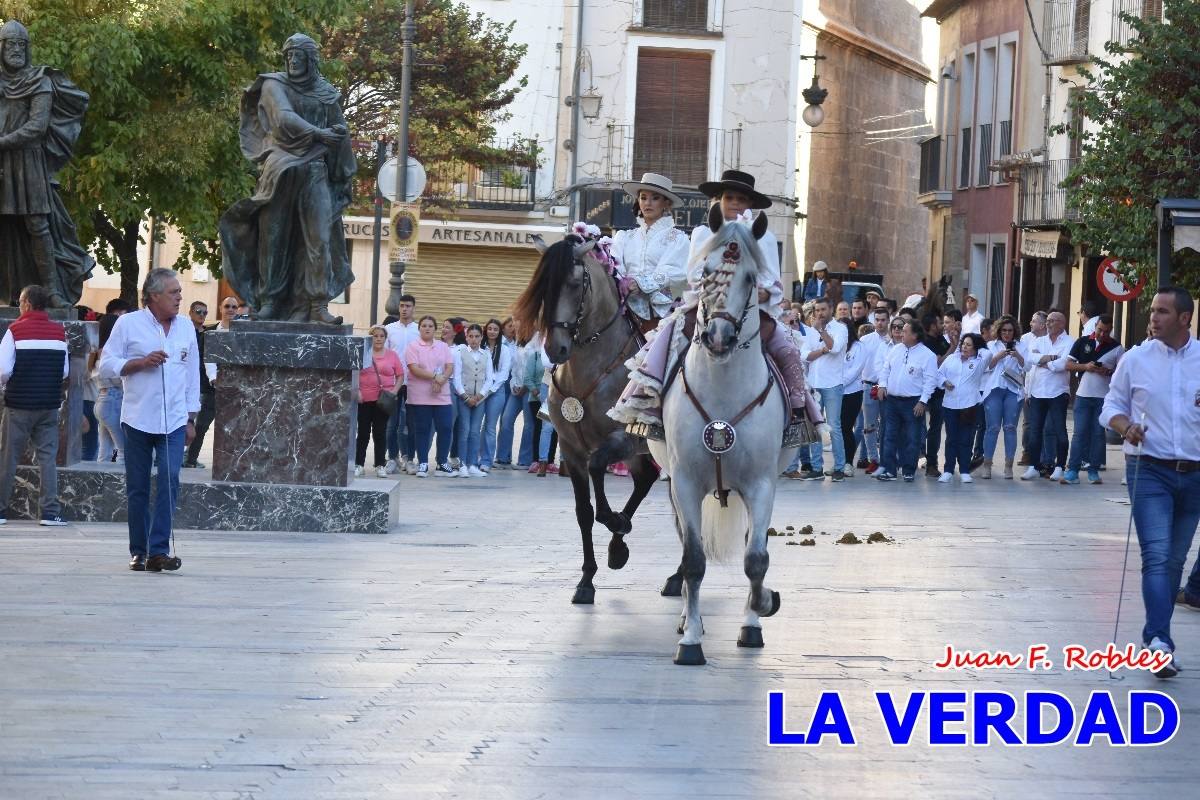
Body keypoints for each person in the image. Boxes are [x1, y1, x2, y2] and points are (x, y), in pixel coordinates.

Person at [218, 33, 355, 324]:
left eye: (299, 55)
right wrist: (321, 134)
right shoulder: (273, 84)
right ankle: (270, 301)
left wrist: (341, 136)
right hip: (280, 168)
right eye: (289, 55)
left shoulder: (326, 91)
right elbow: (283, 118)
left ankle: (317, 304)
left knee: (319, 238)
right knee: (274, 238)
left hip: (315, 170)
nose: (293, 60)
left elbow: (338, 125)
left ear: (311, 60)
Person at [1099, 286, 1200, 679]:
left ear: (1184, 318)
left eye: (1162, 312)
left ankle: (1155, 636)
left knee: (1174, 559)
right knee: (1156, 555)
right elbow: (1111, 407)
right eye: (1152, 310)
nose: (1153, 318)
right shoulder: (1135, 359)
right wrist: (1126, 427)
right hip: (1149, 470)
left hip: (1194, 474)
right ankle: (1159, 642)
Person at [99, 268, 200, 572]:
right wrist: (140, 363)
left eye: (179, 292)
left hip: (174, 421)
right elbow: (105, 365)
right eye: (173, 292)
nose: (180, 297)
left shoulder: (185, 327)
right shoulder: (128, 324)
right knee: (138, 487)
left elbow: (192, 374)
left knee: (170, 480)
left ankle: (159, 551)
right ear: (154, 296)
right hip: (137, 419)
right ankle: (138, 551)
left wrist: (191, 416)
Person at [0, 21, 94, 308]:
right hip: (2, 163)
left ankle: (52, 291)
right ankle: (8, 292)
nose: (15, 50)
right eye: (9, 44)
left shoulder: (40, 80)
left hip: (29, 162)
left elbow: (37, 127)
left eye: (20, 45)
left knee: (38, 226)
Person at [0, 284, 69, 525]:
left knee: (8, 457)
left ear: (27, 303)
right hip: (48, 405)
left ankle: (0, 510)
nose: (19, 307)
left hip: (18, 404)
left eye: (20, 302)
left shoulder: (15, 330)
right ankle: (50, 512)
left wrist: (4, 386)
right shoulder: (59, 332)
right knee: (47, 459)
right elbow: (64, 371)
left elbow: (3, 369)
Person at [609, 173, 689, 332]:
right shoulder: (624, 237)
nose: (648, 203)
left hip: (660, 314)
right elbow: (614, 265)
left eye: (655, 198)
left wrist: (640, 283)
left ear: (666, 203)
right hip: (622, 310)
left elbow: (674, 271)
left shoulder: (678, 238)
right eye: (643, 197)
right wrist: (624, 284)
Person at [1062, 314, 1123, 484]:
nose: (1102, 334)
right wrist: (1086, 367)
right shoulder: (1082, 342)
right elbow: (1067, 365)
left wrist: (1108, 372)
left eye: (1106, 331)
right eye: (1100, 330)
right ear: (1095, 326)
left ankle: (1094, 470)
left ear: (1111, 330)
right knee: (1079, 433)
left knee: (1098, 434)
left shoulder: (1117, 347)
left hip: (1104, 398)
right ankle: (1072, 470)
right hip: (1083, 395)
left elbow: (1123, 373)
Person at [875, 319, 938, 482]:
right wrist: (882, 385)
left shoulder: (928, 355)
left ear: (915, 335)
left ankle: (909, 470)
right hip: (892, 401)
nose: (901, 333)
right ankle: (890, 470)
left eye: (905, 331)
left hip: (913, 402)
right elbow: (885, 370)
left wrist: (923, 402)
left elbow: (930, 381)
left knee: (912, 437)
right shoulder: (896, 349)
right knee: (889, 435)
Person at [1022, 310, 1074, 481]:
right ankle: (1033, 466)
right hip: (1037, 391)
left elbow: (1064, 363)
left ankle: (1059, 466)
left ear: (1062, 323)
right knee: (1035, 431)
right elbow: (1030, 359)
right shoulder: (1039, 340)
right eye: (1048, 321)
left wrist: (1045, 363)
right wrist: (1051, 358)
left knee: (1059, 430)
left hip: (1058, 391)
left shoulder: (1069, 341)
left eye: (1052, 321)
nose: (1048, 324)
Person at [802, 297, 848, 481]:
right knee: (815, 428)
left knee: (834, 427)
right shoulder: (810, 331)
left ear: (831, 309)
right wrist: (821, 350)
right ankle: (816, 467)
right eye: (817, 310)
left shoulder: (841, 329)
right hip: (814, 384)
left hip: (833, 384)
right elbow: (805, 355)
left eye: (823, 309)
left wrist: (822, 332)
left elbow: (835, 348)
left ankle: (839, 467)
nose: (820, 313)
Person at [404, 315, 455, 477]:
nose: (427, 328)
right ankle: (423, 463)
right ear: (419, 329)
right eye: (424, 325)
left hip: (441, 393)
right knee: (422, 429)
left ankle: (442, 462)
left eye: (430, 326)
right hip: (420, 395)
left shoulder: (443, 346)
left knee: (446, 427)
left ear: (435, 329)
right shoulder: (413, 346)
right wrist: (434, 377)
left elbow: (449, 366)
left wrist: (441, 380)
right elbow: (414, 368)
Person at [980, 316, 1027, 479]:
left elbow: (1027, 366)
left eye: (1010, 330)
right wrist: (999, 356)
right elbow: (985, 367)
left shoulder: (1021, 345)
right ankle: (987, 465)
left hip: (1013, 390)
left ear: (1015, 331)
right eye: (1004, 330)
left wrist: (1017, 356)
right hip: (994, 389)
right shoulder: (990, 345)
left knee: (1010, 427)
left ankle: (1008, 466)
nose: (1007, 334)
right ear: (999, 331)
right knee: (992, 427)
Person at [937, 333, 987, 483]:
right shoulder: (951, 359)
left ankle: (964, 469)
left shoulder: (979, 362)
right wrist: (945, 382)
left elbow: (988, 353)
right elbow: (938, 374)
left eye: (969, 345)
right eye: (963, 344)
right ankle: (948, 470)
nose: (964, 347)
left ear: (976, 348)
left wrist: (980, 347)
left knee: (966, 438)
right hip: (950, 404)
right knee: (951, 438)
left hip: (970, 405)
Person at [356, 325, 402, 478]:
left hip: (383, 400)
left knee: (380, 432)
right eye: (375, 336)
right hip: (364, 399)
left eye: (381, 336)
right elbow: (354, 373)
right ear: (370, 338)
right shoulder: (363, 354)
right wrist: (357, 391)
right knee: (363, 432)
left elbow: (400, 375)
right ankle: (359, 464)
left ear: (385, 338)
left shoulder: (392, 355)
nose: (378, 339)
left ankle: (380, 465)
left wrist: (394, 391)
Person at [452, 323, 494, 477]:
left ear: (481, 337)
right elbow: (456, 377)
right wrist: (465, 396)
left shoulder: (486, 354)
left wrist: (480, 396)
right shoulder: (460, 352)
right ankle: (462, 463)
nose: (474, 339)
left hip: (479, 400)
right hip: (464, 397)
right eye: (471, 336)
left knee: (475, 432)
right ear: (466, 337)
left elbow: (490, 379)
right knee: (464, 430)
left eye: (477, 336)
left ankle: (472, 464)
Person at [384, 294, 418, 474]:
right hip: (393, 383)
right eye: (402, 305)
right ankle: (392, 458)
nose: (405, 309)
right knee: (392, 423)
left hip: (413, 383)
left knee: (411, 423)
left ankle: (410, 459)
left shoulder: (419, 330)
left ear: (414, 308)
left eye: (408, 306)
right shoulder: (389, 329)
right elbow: (385, 355)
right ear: (399, 308)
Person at [857, 306, 890, 474]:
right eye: (877, 320)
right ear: (873, 320)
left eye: (883, 320)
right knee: (868, 426)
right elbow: (858, 364)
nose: (880, 323)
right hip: (868, 386)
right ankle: (873, 460)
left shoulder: (894, 340)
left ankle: (887, 459)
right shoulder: (865, 340)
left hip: (889, 389)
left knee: (887, 426)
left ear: (888, 320)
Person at [183, 300, 215, 468]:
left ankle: (190, 458)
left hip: (204, 383)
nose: (201, 315)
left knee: (199, 426)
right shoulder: (185, 331)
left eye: (205, 312)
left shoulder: (208, 333)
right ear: (190, 312)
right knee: (186, 421)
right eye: (198, 311)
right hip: (188, 382)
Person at [479, 319, 513, 474]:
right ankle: (474, 459)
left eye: (495, 329)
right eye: (490, 328)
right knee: (477, 426)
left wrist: (490, 390)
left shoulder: (505, 350)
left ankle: (487, 461)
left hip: (496, 391)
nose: (492, 331)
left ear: (500, 332)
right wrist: (482, 391)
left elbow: (504, 374)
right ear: (485, 330)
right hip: (479, 391)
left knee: (490, 427)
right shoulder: (481, 347)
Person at [921, 312, 952, 477]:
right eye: (940, 322)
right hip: (923, 391)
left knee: (935, 429)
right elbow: (937, 363)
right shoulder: (925, 343)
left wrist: (953, 344)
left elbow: (949, 359)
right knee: (918, 429)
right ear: (932, 326)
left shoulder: (942, 340)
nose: (942, 326)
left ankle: (931, 463)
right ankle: (913, 458)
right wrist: (949, 352)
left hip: (940, 392)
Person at [91, 315, 124, 463]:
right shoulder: (107, 352)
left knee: (104, 451)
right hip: (113, 400)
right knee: (124, 450)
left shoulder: (97, 351)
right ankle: (121, 484)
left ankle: (100, 484)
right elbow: (117, 379)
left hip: (102, 399)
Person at [839, 321, 868, 477]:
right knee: (836, 429)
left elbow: (856, 370)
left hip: (852, 393)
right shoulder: (836, 346)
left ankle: (848, 463)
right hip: (835, 393)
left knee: (846, 427)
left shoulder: (859, 347)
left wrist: (839, 383)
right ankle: (839, 463)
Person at [1018, 310, 1048, 465]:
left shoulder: (1050, 340)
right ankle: (1027, 453)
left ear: (1043, 325)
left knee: (1044, 424)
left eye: (1034, 321)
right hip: (1028, 385)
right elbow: (1024, 362)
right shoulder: (1025, 339)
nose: (1030, 323)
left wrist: (1041, 359)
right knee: (1028, 423)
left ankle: (1044, 457)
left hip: (1045, 388)